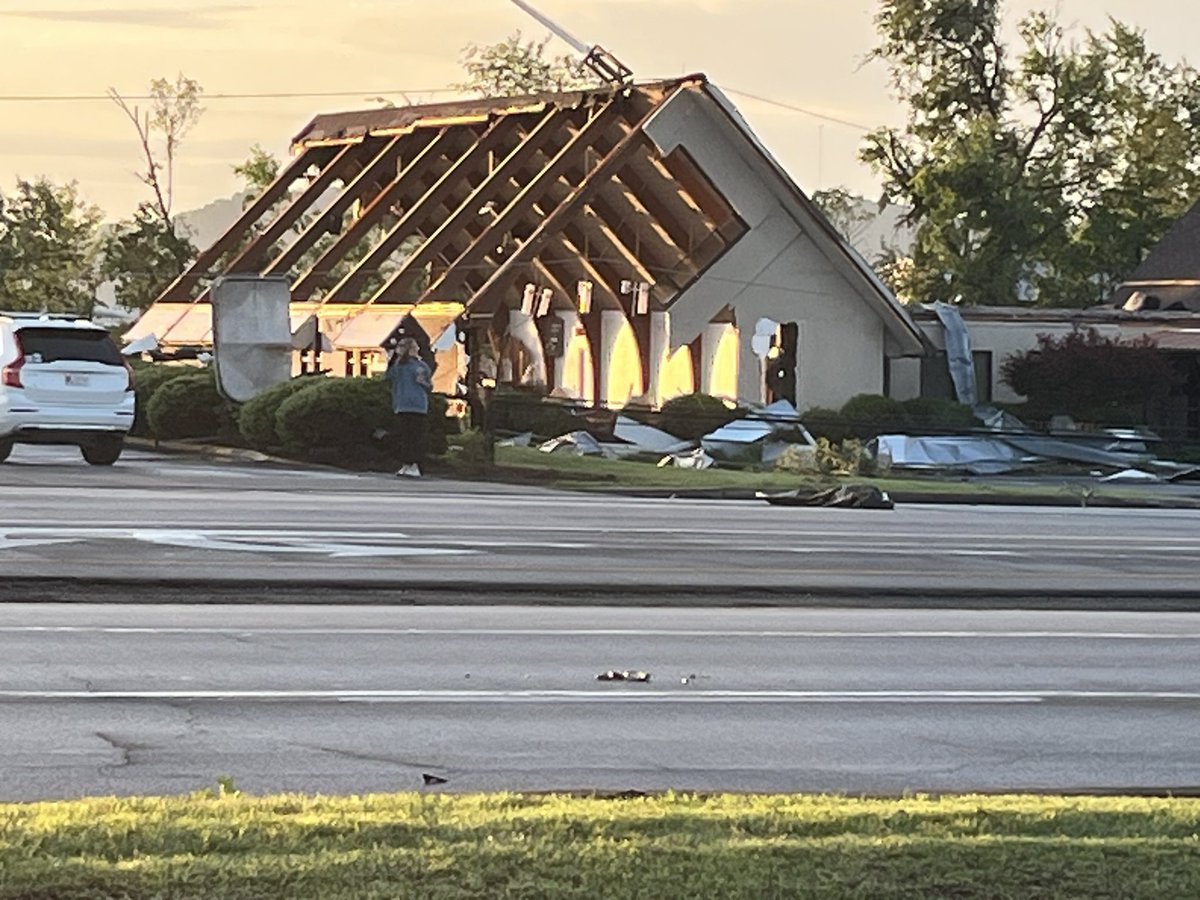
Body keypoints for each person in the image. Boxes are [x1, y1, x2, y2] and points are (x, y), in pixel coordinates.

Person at [384, 337, 432, 477]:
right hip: (406, 403)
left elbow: (427, 384)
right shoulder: (401, 366)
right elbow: (388, 377)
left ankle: (413, 464)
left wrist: (423, 382)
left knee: (412, 436)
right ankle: (407, 463)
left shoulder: (419, 366)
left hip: (412, 404)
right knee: (407, 437)